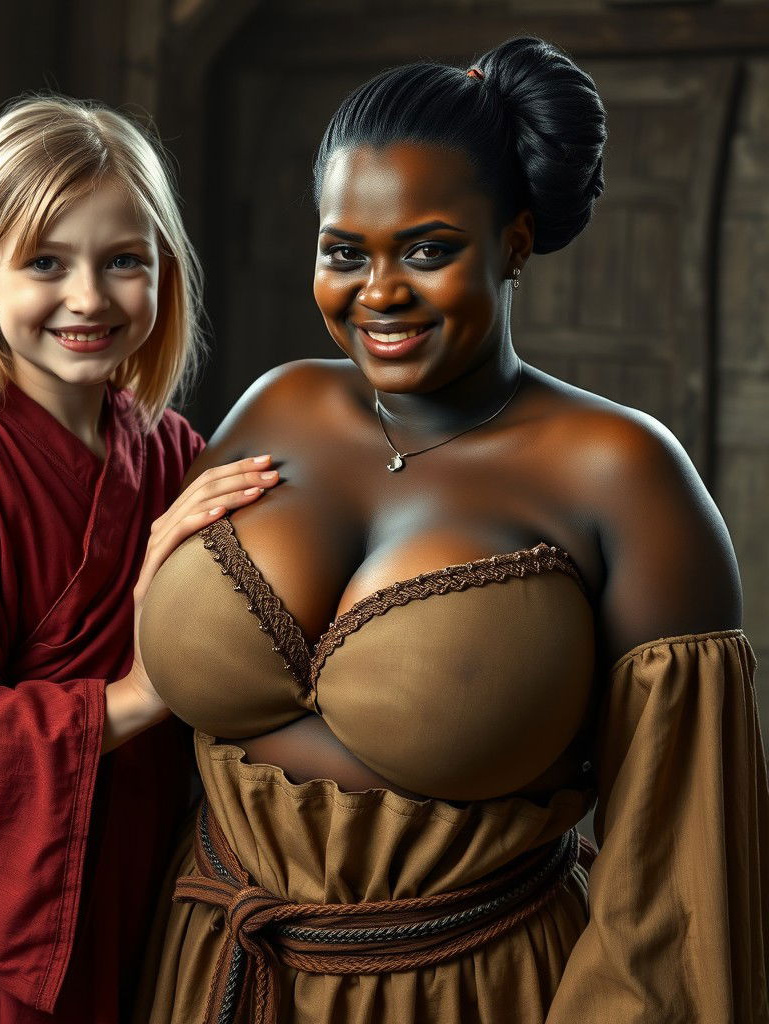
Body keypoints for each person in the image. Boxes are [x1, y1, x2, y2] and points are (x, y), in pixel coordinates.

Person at [135, 38, 769, 1023]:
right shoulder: (272, 408)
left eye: (427, 249)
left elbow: (675, 885)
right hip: (207, 972)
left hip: (460, 992)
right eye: (344, 250)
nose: (378, 292)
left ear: (514, 241)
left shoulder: (625, 476)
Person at [0, 96, 282, 1024]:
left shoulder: (168, 453)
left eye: (124, 260)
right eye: (46, 261)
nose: (89, 297)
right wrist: (140, 688)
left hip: (148, 898)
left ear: (162, 270)